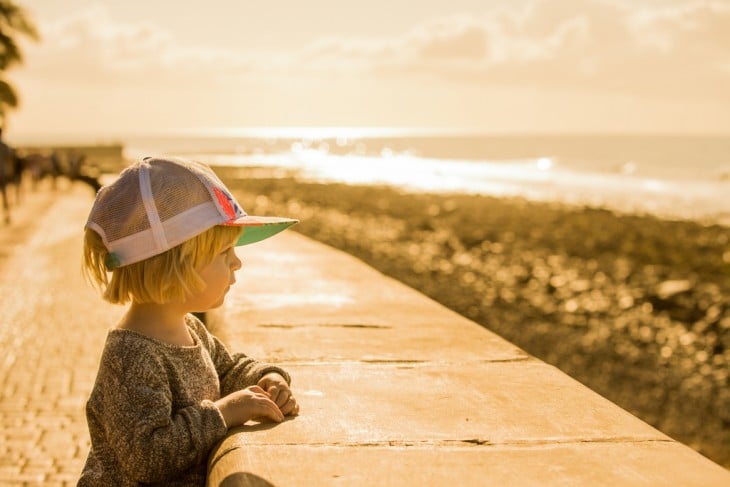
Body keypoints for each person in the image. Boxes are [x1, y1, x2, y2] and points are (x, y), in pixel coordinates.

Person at [78, 156, 300, 486]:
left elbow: (226, 368)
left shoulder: (190, 328)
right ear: (177, 265)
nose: (237, 263)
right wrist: (224, 413)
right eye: (225, 253)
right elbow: (147, 457)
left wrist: (265, 377)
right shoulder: (130, 355)